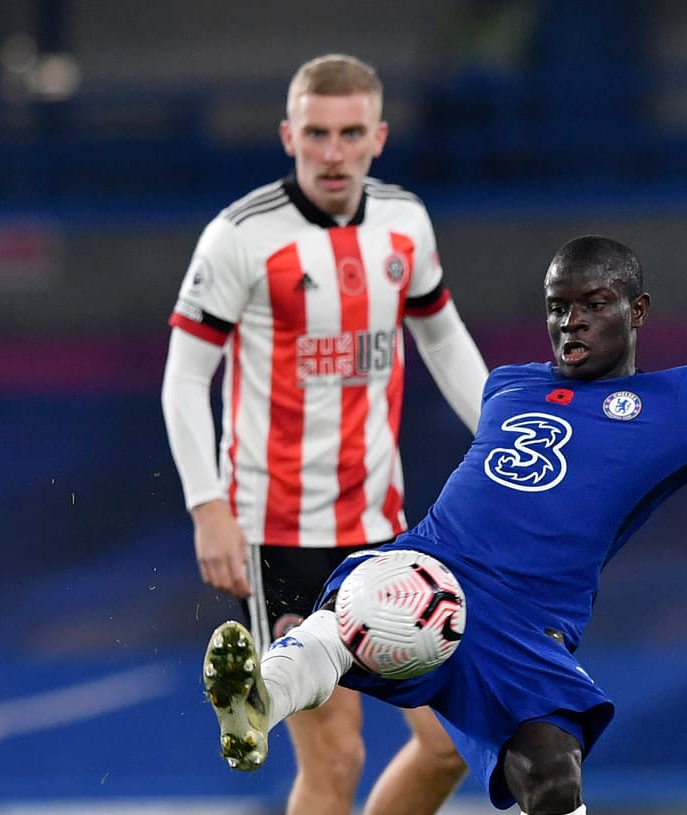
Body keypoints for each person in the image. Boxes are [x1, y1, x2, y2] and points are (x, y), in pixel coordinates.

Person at [200, 234, 687, 814]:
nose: (569, 320)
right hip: (430, 567)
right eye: (556, 305)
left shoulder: (682, 402)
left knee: (552, 778)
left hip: (524, 625)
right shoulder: (509, 385)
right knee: (351, 609)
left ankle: (273, 685)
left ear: (637, 311)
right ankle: (259, 699)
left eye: (592, 303)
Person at [161, 54, 485, 815]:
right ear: (287, 136)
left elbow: (441, 336)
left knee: (448, 746)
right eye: (316, 134)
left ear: (379, 136)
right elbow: (183, 377)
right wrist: (207, 504)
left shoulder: (405, 222)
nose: (332, 152)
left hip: (384, 529)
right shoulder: (239, 236)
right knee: (336, 759)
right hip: (278, 535)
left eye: (348, 134)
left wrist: (499, 437)